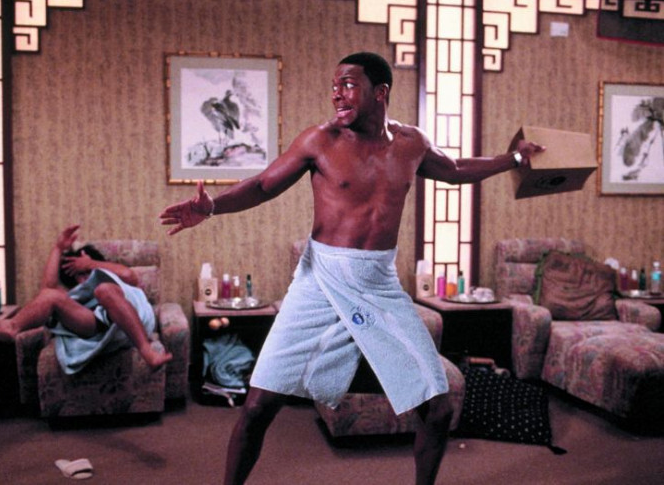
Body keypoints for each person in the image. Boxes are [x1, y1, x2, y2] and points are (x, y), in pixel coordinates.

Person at [159, 52, 545, 485]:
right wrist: (212, 207)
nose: (336, 94)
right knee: (258, 405)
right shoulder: (319, 140)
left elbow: (455, 170)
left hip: (378, 284)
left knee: (438, 409)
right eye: (334, 86)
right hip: (319, 280)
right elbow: (264, 184)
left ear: (380, 92)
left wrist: (514, 159)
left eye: (347, 84)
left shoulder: (412, 143)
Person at [0, 224, 172, 374]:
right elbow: (47, 289)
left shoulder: (115, 278)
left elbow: (129, 275)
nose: (84, 279)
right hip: (98, 327)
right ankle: (11, 328)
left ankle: (146, 351)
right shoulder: (82, 294)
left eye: (86, 273)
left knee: (105, 290)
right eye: (78, 276)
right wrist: (58, 248)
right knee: (51, 296)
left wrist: (90, 265)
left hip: (134, 320)